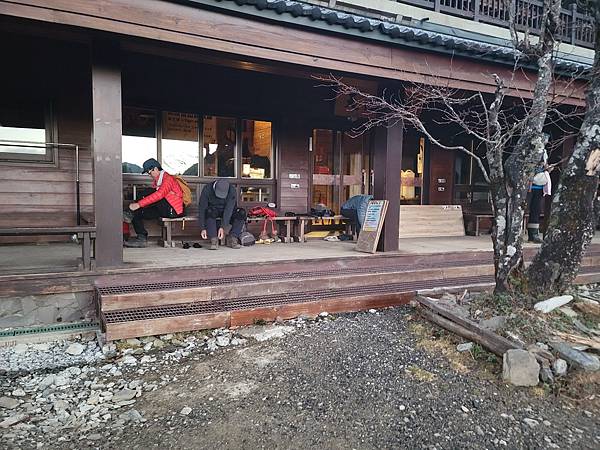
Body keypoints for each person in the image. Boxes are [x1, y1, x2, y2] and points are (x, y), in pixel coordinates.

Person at [124, 158, 184, 248]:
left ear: (155, 169)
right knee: (137, 212)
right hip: (163, 208)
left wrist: (139, 204)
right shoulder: (158, 181)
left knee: (149, 192)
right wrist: (138, 206)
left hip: (173, 210)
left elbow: (159, 195)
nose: (149, 175)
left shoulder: (168, 179)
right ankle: (141, 238)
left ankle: (128, 213)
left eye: (149, 172)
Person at [198, 179, 245, 250]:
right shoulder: (207, 189)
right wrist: (203, 228)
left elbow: (229, 209)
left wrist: (223, 227)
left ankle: (233, 238)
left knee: (241, 212)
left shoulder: (232, 190)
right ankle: (214, 240)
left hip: (227, 211)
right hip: (213, 210)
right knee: (209, 211)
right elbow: (202, 209)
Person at [527, 168, 552, 244]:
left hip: (539, 188)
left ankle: (533, 235)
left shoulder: (544, 159)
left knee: (536, 211)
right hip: (527, 187)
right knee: (521, 210)